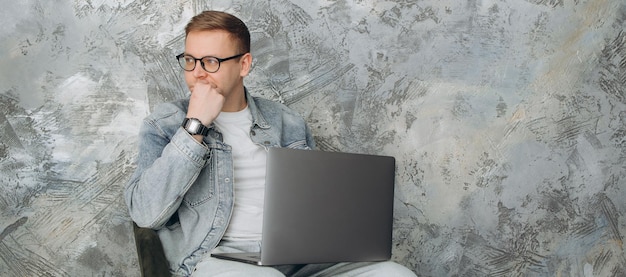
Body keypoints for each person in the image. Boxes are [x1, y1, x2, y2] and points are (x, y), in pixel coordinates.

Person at [125, 10, 416, 277]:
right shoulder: (164, 123)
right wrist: (195, 126)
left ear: (244, 64)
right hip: (213, 258)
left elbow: (314, 207)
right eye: (190, 60)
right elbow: (145, 213)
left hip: (299, 257)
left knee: (394, 274)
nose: (197, 72)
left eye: (211, 62)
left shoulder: (286, 122)